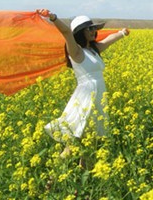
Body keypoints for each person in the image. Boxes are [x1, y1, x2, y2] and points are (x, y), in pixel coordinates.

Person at [36, 9, 129, 157]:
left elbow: (109, 40)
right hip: (86, 99)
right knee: (74, 143)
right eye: (89, 29)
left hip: (98, 97)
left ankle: (83, 168)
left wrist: (122, 33)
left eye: (93, 28)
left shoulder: (94, 49)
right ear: (80, 32)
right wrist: (53, 17)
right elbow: (67, 32)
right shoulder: (76, 52)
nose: (93, 31)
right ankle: (56, 171)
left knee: (90, 141)